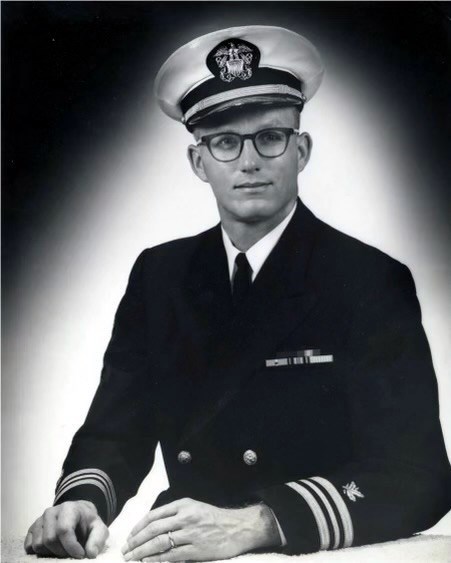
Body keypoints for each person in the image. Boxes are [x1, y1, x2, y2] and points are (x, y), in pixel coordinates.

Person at [24, 25, 451, 561]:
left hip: (314, 552)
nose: (249, 161)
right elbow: (115, 432)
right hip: (182, 549)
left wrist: (262, 523)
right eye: (225, 142)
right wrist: (82, 501)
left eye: (270, 137)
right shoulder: (160, 276)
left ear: (301, 150)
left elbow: (418, 473)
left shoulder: (369, 278)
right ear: (198, 162)